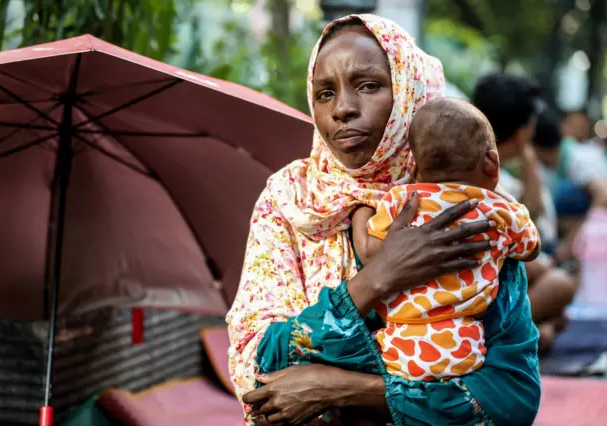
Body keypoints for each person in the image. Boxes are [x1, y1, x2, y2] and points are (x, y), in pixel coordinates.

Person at [227, 15, 541, 426]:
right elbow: (255, 371)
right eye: (324, 93)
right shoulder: (288, 201)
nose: (342, 109)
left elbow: (513, 397)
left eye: (369, 85)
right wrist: (376, 281)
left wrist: (338, 387)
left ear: (410, 91)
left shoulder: (465, 206)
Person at [351, 98, 540, 386]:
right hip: (462, 350)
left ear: (417, 166)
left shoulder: (401, 200)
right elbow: (532, 247)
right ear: (491, 163)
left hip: (398, 347)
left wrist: (359, 210)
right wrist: (500, 193)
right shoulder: (498, 212)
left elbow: (371, 252)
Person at [472, 73, 576, 351]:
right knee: (561, 284)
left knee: (554, 313)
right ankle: (510, 339)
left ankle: (530, 334)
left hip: (479, 289)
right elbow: (527, 242)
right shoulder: (486, 176)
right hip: (477, 296)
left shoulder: (473, 163)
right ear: (524, 130)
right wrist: (545, 265)